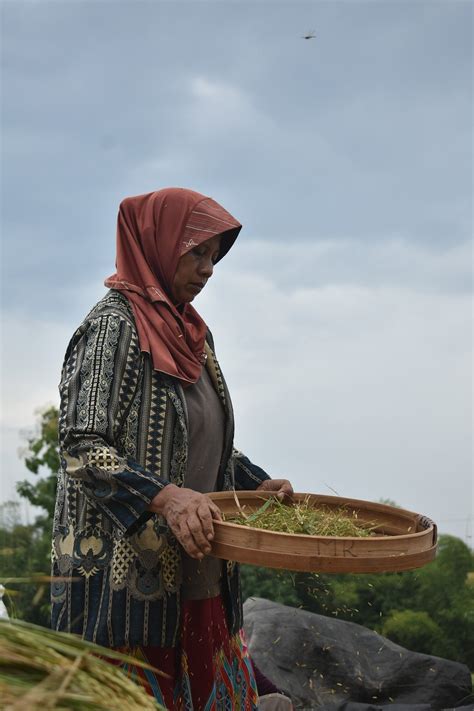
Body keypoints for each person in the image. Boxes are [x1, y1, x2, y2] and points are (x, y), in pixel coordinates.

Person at [51, 187, 294, 710]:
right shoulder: (112, 327)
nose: (208, 269)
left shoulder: (195, 337)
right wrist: (166, 498)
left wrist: (256, 483)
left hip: (201, 573)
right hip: (125, 589)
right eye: (197, 252)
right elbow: (79, 445)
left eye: (214, 257)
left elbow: (199, 447)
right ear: (156, 243)